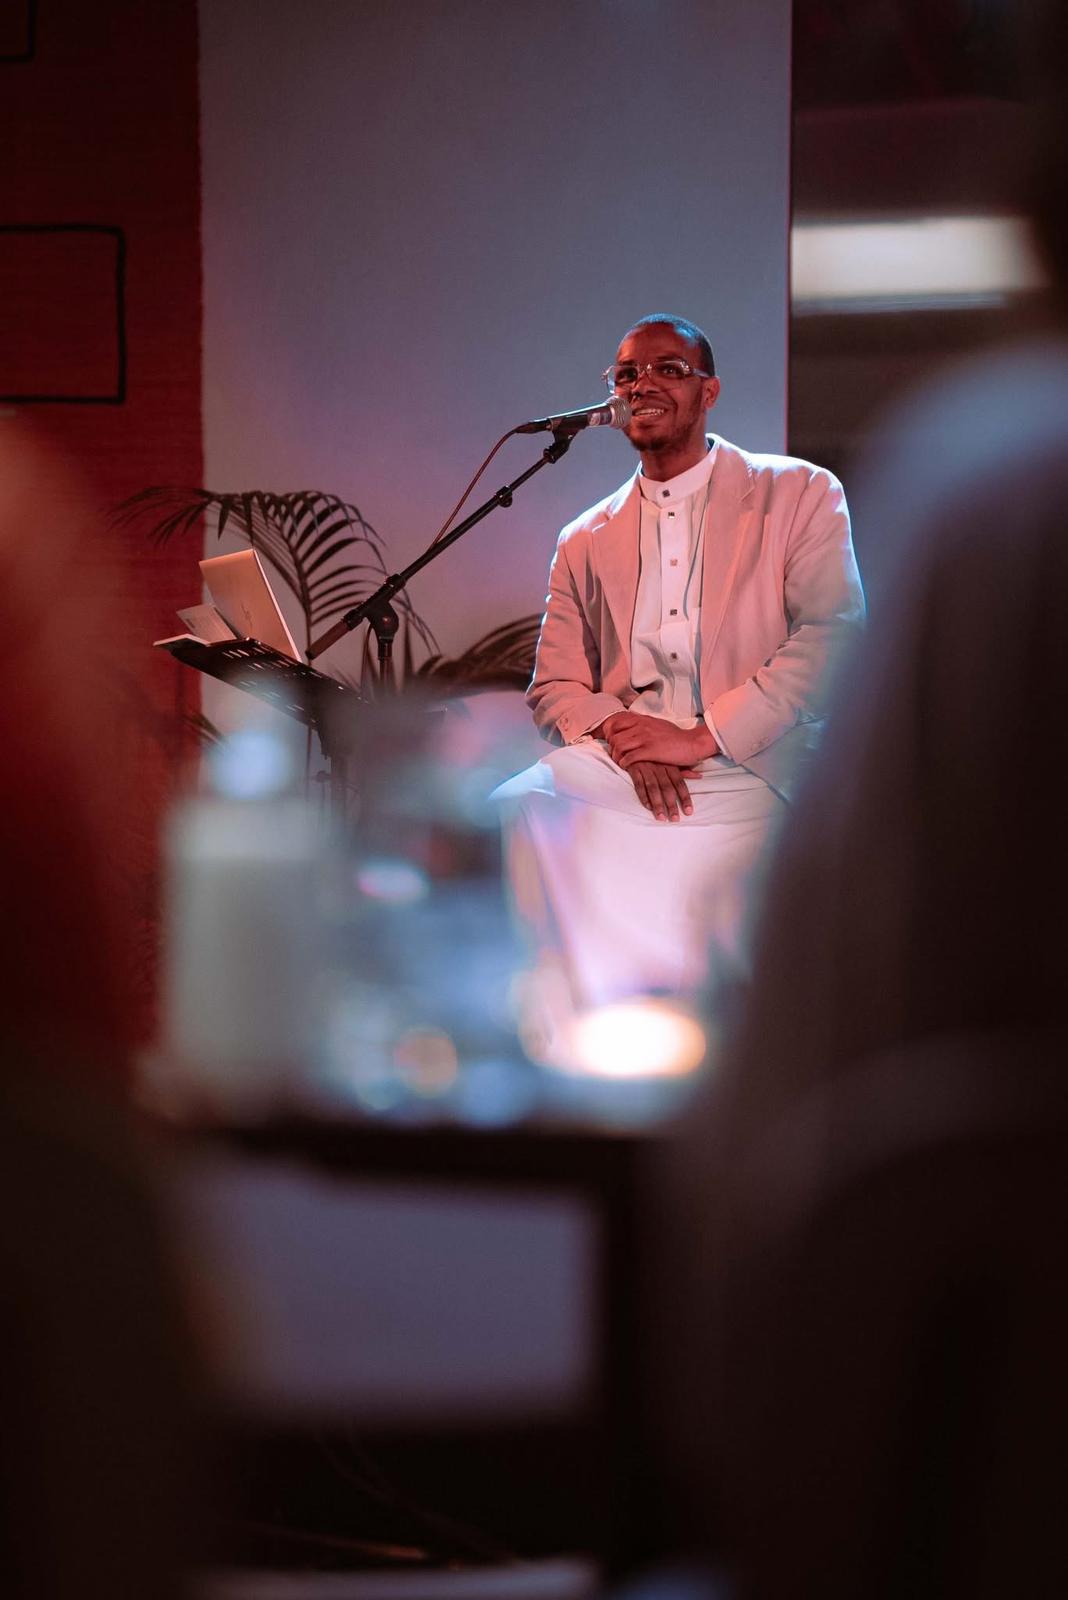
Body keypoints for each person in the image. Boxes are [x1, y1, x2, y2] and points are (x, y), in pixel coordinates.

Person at [494, 314, 864, 1037]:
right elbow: (554, 686)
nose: (643, 384)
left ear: (709, 393)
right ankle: (579, 1035)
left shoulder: (798, 494)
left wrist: (698, 738)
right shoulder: (583, 536)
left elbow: (834, 633)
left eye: (668, 369)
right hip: (628, 765)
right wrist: (627, 736)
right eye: (627, 373)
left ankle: (746, 1043)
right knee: (523, 801)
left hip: (756, 758)